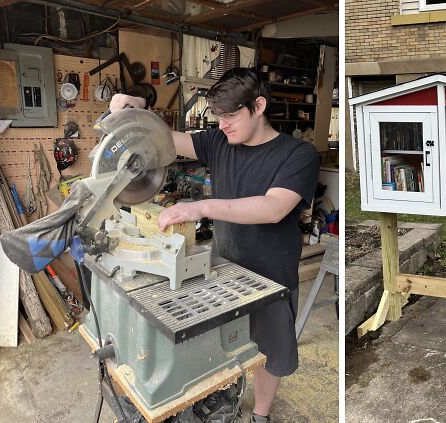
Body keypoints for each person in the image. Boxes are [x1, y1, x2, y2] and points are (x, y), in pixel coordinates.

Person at [110, 67, 320, 423]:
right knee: (224, 344)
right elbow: (164, 139)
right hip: (223, 268)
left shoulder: (297, 154)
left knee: (270, 351)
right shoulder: (219, 141)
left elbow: (273, 208)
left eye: (231, 115)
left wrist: (201, 206)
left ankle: (260, 415)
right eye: (218, 116)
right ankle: (223, 399)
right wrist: (130, 112)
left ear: (258, 106)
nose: (223, 124)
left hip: (272, 277)